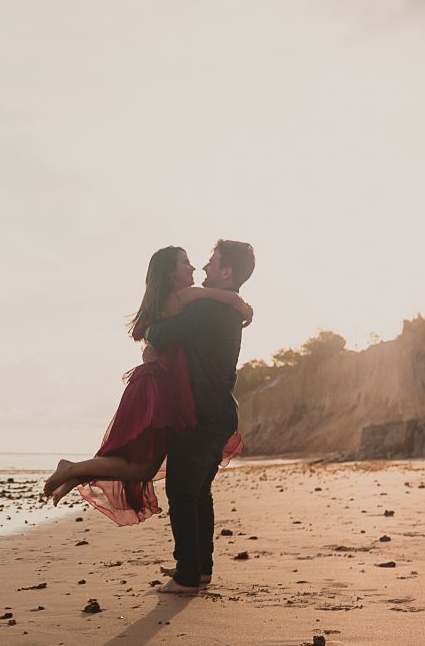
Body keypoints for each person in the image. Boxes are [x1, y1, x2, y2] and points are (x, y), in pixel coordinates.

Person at [41, 246, 250, 528]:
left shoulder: (179, 301)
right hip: (156, 389)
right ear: (169, 273)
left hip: (164, 389)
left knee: (141, 464)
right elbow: (206, 297)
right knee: (140, 464)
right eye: (185, 263)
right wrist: (239, 303)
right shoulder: (181, 297)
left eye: (198, 262)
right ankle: (73, 470)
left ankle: (75, 472)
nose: (195, 268)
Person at [145, 239, 255, 594]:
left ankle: (188, 574)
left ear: (226, 272)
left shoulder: (209, 310)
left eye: (212, 262)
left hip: (200, 414)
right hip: (219, 412)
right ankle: (199, 567)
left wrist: (149, 334)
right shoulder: (226, 309)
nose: (204, 268)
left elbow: (163, 332)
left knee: (181, 493)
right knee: (199, 492)